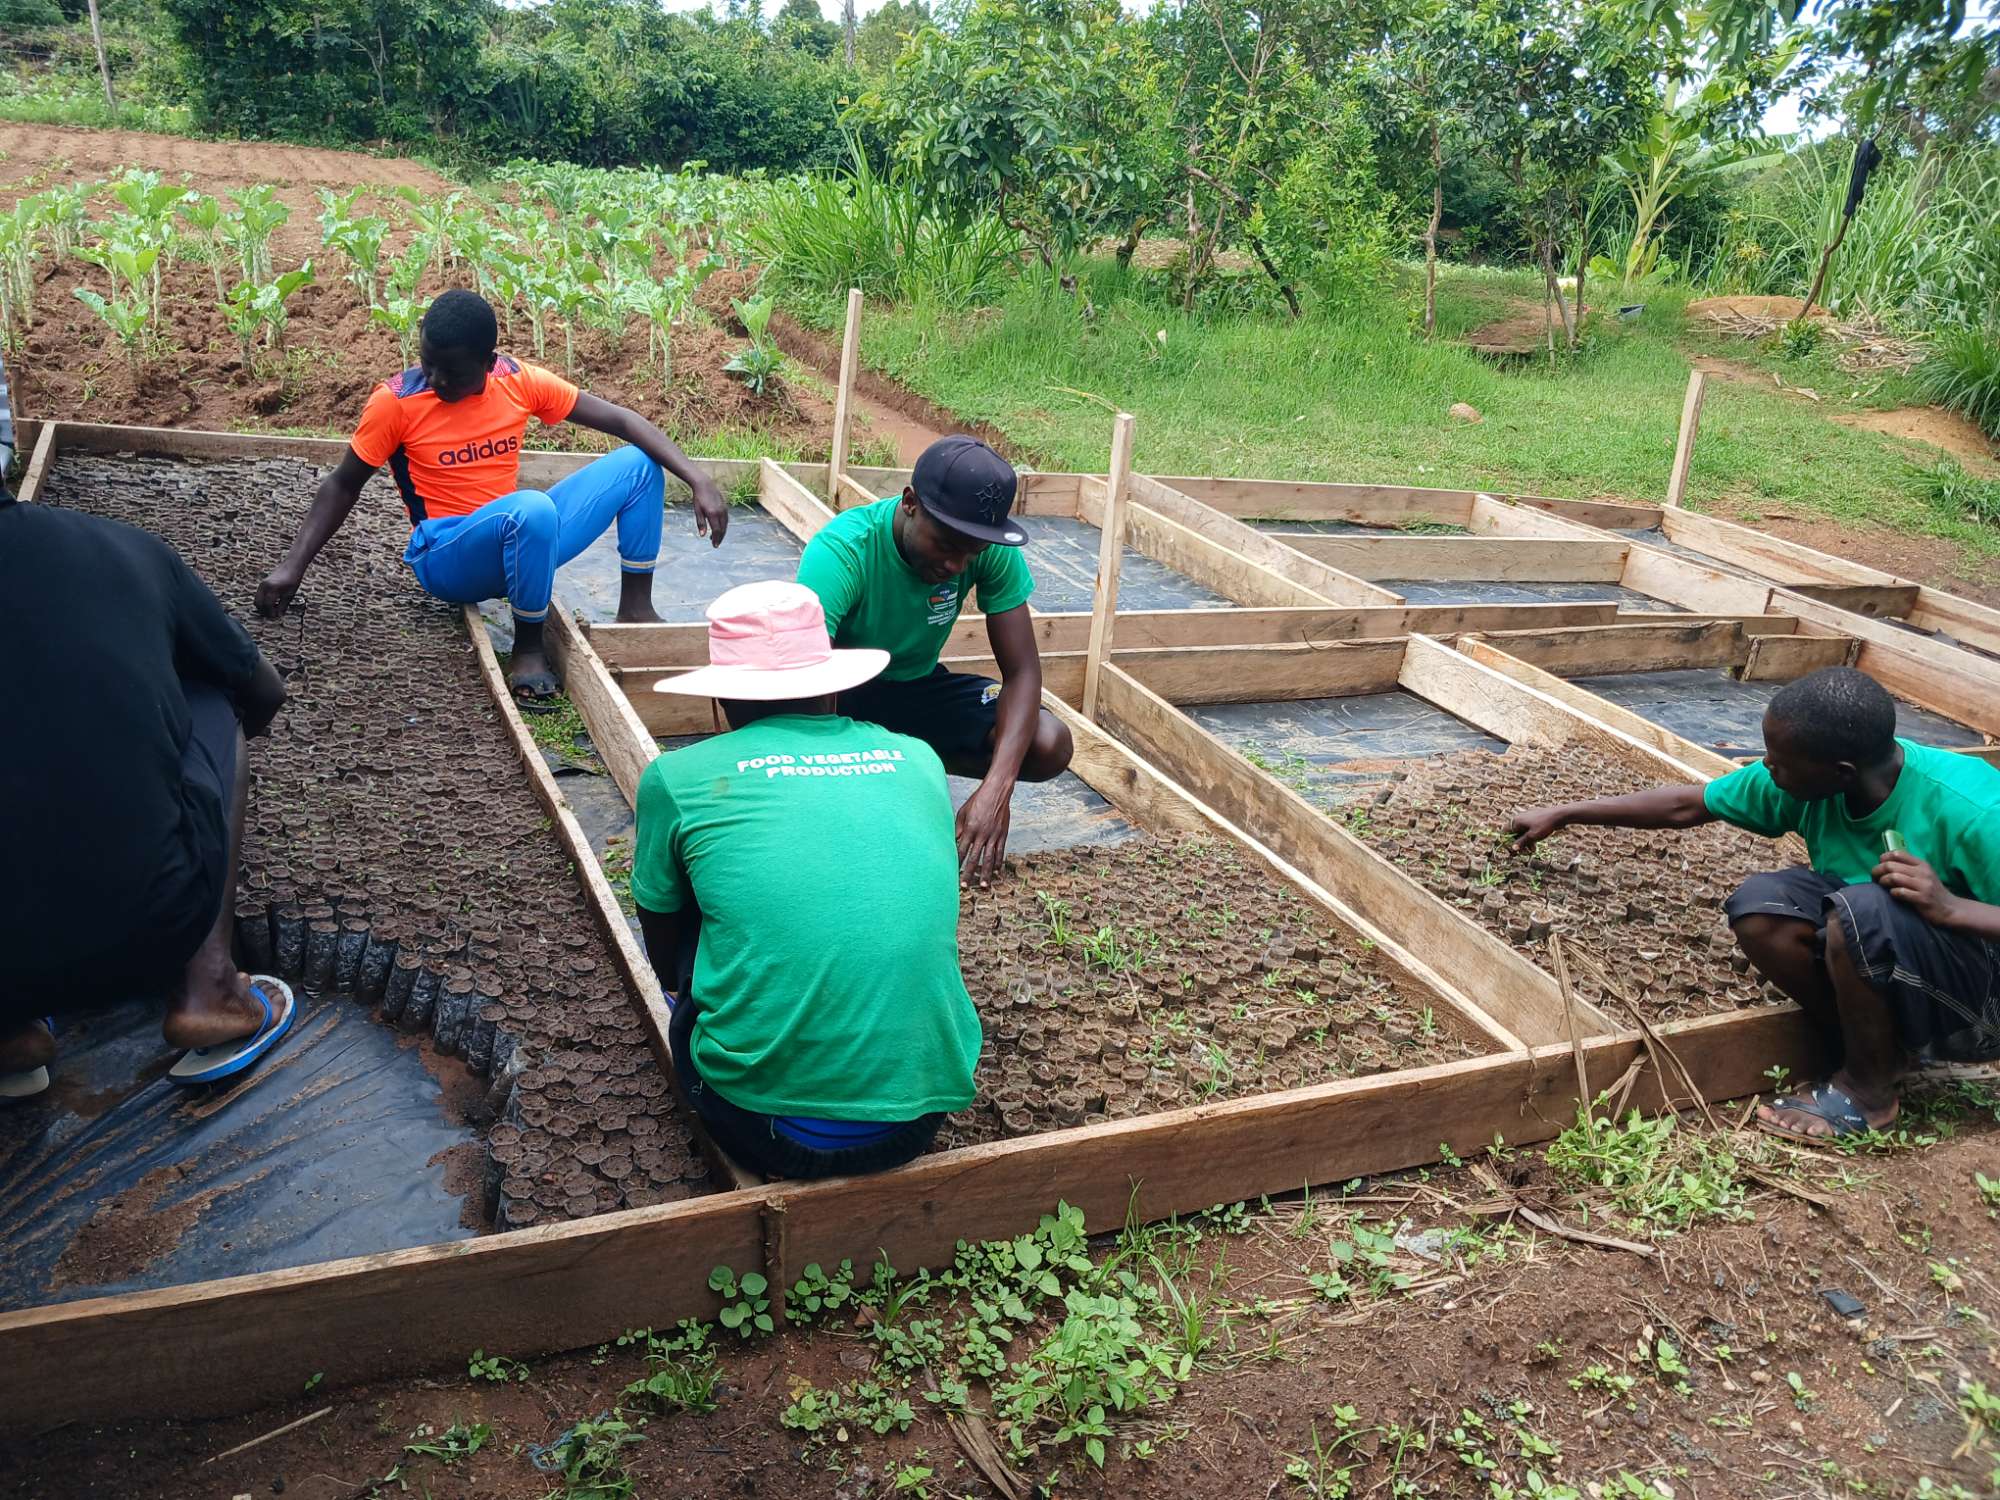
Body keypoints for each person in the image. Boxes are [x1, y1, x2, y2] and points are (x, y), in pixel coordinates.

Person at [1507, 666, 2000, 1143]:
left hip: (1981, 1006)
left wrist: (1951, 907)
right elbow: (1689, 804)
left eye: (1779, 760)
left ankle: (1869, 1096)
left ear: (1840, 771)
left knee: (1859, 913)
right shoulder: (1813, 783)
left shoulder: (1974, 808)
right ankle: (1878, 1052)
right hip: (1897, 954)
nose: (1767, 766)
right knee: (1764, 906)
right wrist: (1568, 812)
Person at [630, 580, 982, 1179]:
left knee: (699, 905)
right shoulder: (919, 757)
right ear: (836, 685)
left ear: (723, 702)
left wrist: (681, 985)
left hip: (761, 1126)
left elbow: (662, 942)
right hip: (917, 1118)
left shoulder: (678, 777)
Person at [255, 288, 729, 707]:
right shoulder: (395, 402)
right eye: (428, 363)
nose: (437, 380)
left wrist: (698, 478)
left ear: (488, 362)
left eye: (453, 372)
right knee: (532, 508)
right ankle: (526, 649)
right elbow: (343, 483)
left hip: (522, 541)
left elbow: (623, 421)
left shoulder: (517, 381)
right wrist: (292, 566)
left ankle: (635, 608)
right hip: (446, 555)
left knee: (639, 465)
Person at [1, 492, 294, 1098]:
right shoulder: (120, 548)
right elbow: (262, 690)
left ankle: (10, 1032)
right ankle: (209, 989)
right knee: (215, 697)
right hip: (152, 921)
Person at [796, 435, 1073, 886]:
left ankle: (907, 762)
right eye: (946, 544)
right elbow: (806, 678)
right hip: (839, 697)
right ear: (910, 503)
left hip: (917, 689)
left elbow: (1022, 671)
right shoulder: (843, 551)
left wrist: (995, 792)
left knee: (1047, 742)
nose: (957, 565)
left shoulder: (983, 547)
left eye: (972, 552)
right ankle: (887, 770)